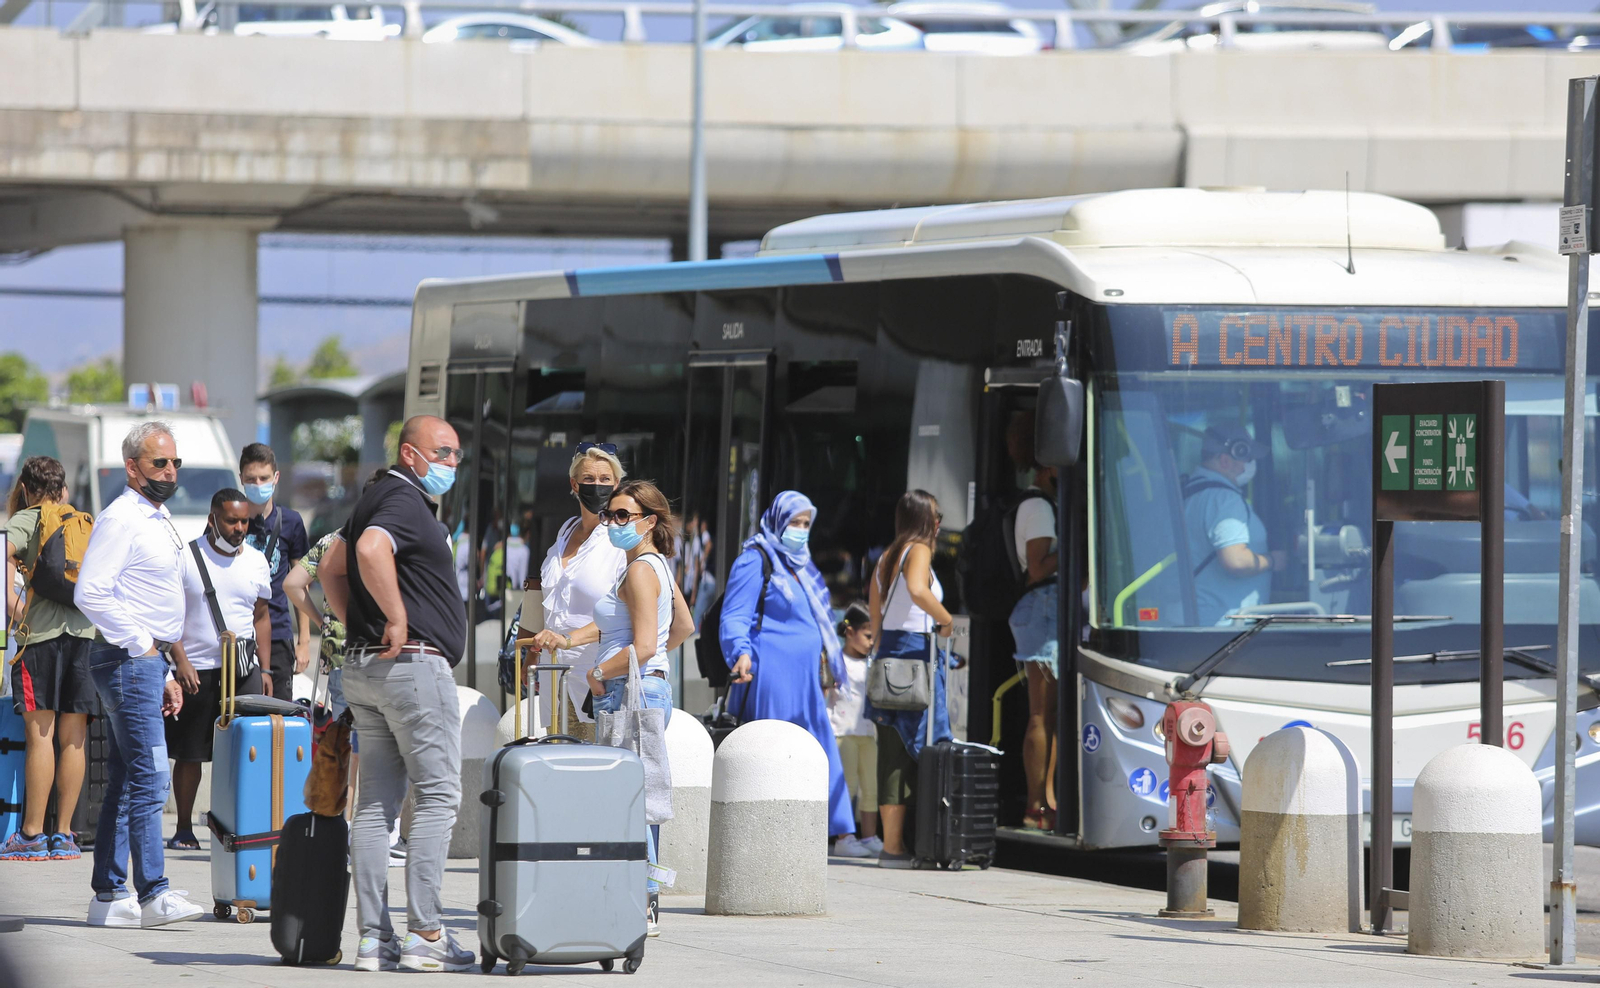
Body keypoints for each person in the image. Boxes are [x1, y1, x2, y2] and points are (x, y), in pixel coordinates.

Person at [318, 415, 471, 972]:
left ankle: (373, 940)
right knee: (437, 797)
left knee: (377, 805)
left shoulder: (375, 497)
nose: (453, 463)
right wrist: (396, 617)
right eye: (444, 452)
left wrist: (358, 623)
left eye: (457, 455)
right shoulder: (403, 503)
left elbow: (330, 566)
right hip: (412, 668)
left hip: (367, 669)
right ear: (411, 454)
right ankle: (426, 936)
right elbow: (369, 551)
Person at [530, 479, 694, 939]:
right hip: (640, 688)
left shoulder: (641, 569)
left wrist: (604, 673)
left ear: (649, 521)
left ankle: (642, 902)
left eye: (624, 515)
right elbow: (678, 626)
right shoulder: (649, 566)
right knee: (635, 794)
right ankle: (639, 898)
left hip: (630, 692)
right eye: (610, 515)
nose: (613, 523)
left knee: (631, 797)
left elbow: (642, 643)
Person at [72, 421, 203, 927]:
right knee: (151, 778)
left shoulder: (156, 515)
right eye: (158, 464)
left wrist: (164, 665)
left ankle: (109, 894)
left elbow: (148, 596)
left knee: (129, 780)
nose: (169, 472)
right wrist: (142, 643)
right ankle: (153, 894)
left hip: (145, 664)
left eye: (174, 464)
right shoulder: (122, 518)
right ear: (132, 467)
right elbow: (91, 593)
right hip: (128, 661)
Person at [720, 491, 855, 840]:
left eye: (806, 523)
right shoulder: (756, 558)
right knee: (776, 751)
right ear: (778, 520)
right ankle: (775, 832)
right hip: (772, 675)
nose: (800, 529)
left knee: (816, 748)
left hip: (805, 679)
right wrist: (739, 652)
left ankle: (838, 833)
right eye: (794, 521)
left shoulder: (802, 564)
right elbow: (735, 615)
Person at [1, 456, 97, 862]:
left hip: (39, 638)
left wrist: (12, 602)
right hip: (86, 638)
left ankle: (31, 834)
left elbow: (5, 553)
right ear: (63, 488)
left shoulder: (27, 518)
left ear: (25, 487)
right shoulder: (83, 522)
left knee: (41, 734)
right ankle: (64, 835)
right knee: (73, 736)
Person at [164, 489, 271, 850]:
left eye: (244, 521)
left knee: (244, 752)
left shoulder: (256, 560)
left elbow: (261, 616)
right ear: (213, 518)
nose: (239, 528)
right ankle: (182, 828)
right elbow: (169, 617)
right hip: (197, 672)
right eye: (231, 521)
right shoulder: (186, 558)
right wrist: (181, 661)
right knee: (191, 754)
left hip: (242, 671)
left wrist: (265, 670)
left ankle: (239, 828)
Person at [865, 489, 954, 869]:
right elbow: (918, 590)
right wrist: (946, 620)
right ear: (925, 520)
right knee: (931, 750)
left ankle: (893, 848)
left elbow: (875, 618)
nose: (939, 524)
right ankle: (927, 843)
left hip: (888, 661)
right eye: (937, 516)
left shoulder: (886, 556)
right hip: (918, 657)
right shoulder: (919, 550)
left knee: (892, 757)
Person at [523, 443, 628, 743]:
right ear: (574, 484)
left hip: (598, 682)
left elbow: (624, 615)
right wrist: (530, 658)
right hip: (554, 679)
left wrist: (567, 640)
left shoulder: (619, 540)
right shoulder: (563, 534)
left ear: (617, 484)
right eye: (589, 479)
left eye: (606, 479)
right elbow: (545, 602)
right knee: (559, 773)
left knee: (594, 776)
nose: (597, 486)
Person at [1007, 412, 1060, 831]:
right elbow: (1039, 568)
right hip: (1042, 607)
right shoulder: (1039, 507)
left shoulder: (1034, 503)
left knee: (1050, 714)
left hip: (1041, 608)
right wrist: (1077, 547)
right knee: (1042, 714)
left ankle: (1046, 801)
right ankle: (1036, 806)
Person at [1182, 426, 1285, 626]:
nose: (1249, 465)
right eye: (1247, 459)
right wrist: (1273, 560)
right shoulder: (1225, 500)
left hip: (1199, 619)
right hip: (1227, 628)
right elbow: (1236, 560)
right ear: (1225, 460)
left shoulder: (1189, 492)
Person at [239, 443, 311, 700]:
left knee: (278, 717)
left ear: (276, 478)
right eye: (251, 479)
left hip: (279, 635)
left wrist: (303, 641)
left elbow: (301, 584)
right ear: (241, 480)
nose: (258, 484)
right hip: (238, 636)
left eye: (264, 478)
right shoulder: (229, 520)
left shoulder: (291, 522)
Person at [827, 602, 881, 859]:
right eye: (868, 635)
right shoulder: (836, 661)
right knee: (846, 786)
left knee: (870, 787)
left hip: (867, 732)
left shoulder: (873, 662)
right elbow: (826, 694)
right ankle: (844, 837)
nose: (871, 642)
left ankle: (869, 837)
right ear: (850, 632)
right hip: (842, 732)